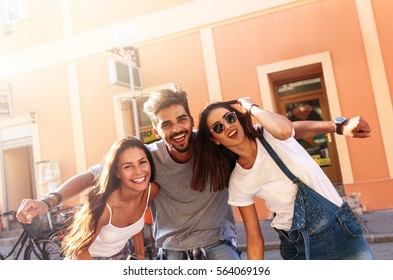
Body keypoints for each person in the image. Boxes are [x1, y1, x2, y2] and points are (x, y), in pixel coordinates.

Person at [16, 84, 371, 260]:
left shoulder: (215, 140)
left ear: (190, 117)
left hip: (218, 246)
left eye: (181, 119)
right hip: (171, 252)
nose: (177, 129)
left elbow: (284, 131)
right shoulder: (148, 158)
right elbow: (95, 174)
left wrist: (337, 126)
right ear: (157, 130)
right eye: (166, 124)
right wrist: (48, 201)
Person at [191, 97, 374, 260]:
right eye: (218, 127)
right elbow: (254, 238)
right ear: (215, 139)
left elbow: (287, 129)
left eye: (230, 118)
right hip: (301, 249)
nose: (228, 126)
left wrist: (252, 106)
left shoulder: (270, 133)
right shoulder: (239, 181)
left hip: (343, 231)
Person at [59, 136, 159, 259]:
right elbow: (79, 251)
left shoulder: (150, 190)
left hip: (120, 255)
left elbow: (137, 221)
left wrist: (140, 255)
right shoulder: (105, 208)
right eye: (128, 166)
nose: (139, 171)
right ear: (117, 172)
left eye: (142, 162)